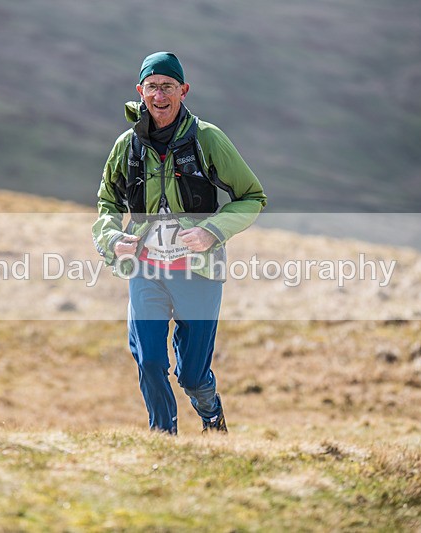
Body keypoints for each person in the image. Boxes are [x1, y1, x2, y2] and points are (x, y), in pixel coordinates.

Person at [92, 51, 266, 435]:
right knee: (150, 361)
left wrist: (213, 231)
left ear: (183, 91)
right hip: (146, 270)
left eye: (168, 86)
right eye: (152, 86)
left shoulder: (208, 139)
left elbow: (252, 197)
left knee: (191, 374)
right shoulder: (127, 145)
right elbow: (107, 203)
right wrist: (111, 237)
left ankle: (211, 416)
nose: (160, 95)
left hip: (198, 272)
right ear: (140, 90)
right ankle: (163, 439)